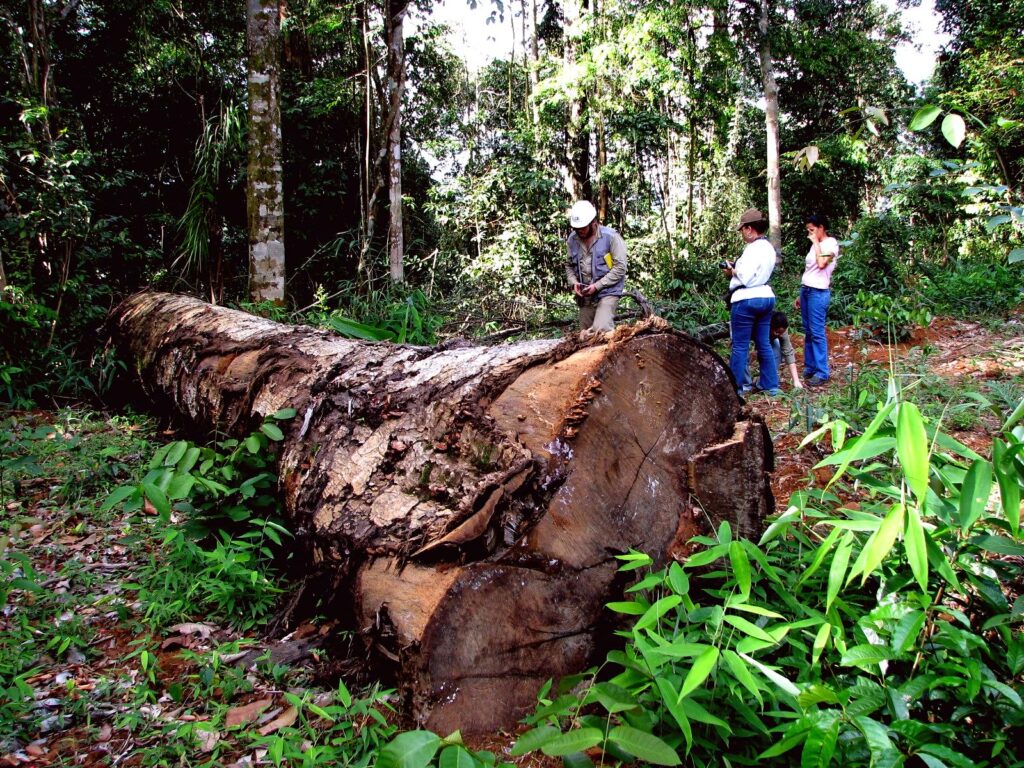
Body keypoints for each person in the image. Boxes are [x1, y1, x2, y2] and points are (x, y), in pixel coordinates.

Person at [724, 208, 779, 396]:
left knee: (740, 345)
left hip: (746, 299)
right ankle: (771, 386)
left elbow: (745, 276)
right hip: (765, 297)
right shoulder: (769, 248)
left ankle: (735, 389)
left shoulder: (752, 249)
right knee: (763, 342)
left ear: (749, 228)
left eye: (742, 229)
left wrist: (732, 270)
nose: (742, 233)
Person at [565, 200, 627, 334]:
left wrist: (597, 286)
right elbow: (568, 265)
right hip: (586, 295)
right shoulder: (572, 239)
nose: (579, 231)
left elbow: (620, 268)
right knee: (584, 334)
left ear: (593, 223)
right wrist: (574, 282)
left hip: (608, 291)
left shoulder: (611, 237)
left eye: (583, 228)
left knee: (601, 329)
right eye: (576, 229)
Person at [796, 213, 839, 386]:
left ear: (821, 227)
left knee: (817, 332)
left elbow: (821, 264)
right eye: (808, 230)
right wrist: (800, 295)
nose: (810, 233)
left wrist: (815, 243)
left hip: (818, 292)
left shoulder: (831, 244)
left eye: (812, 230)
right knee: (808, 331)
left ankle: (822, 372)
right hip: (807, 290)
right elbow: (810, 271)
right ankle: (811, 367)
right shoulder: (816, 245)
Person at [743, 311, 803, 391]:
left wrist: (796, 380)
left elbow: (788, 352)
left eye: (782, 332)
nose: (780, 335)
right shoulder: (757, 324)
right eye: (777, 332)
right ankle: (745, 384)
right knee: (742, 354)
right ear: (769, 327)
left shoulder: (782, 330)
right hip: (747, 333)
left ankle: (764, 381)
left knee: (776, 346)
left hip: (767, 340)